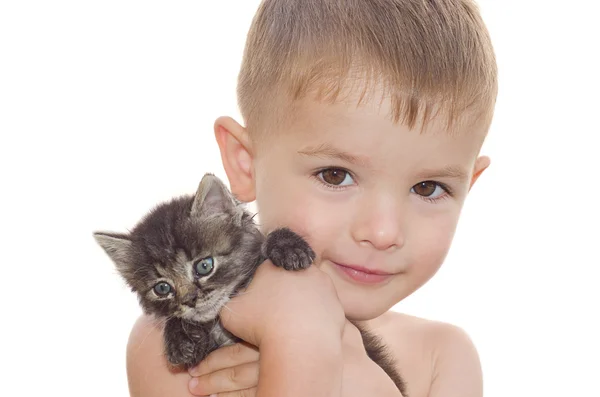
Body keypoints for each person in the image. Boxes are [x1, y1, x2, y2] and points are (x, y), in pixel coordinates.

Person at [126, 0, 497, 396]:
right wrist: (299, 330)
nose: (384, 231)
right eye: (336, 176)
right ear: (246, 165)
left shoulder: (444, 356)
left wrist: (350, 375)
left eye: (428, 188)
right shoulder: (176, 351)